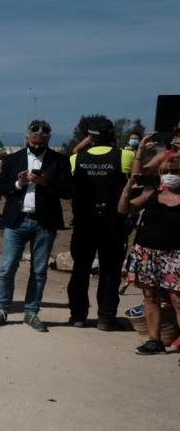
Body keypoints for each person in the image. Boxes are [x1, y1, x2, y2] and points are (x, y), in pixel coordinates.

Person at [0, 120, 73, 331]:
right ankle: (2, 308)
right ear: (26, 138)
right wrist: (18, 184)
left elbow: (68, 191)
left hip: (44, 222)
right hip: (16, 220)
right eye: (33, 142)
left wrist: (46, 183)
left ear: (48, 140)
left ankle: (31, 311)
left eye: (41, 142)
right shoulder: (12, 160)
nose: (36, 146)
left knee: (39, 270)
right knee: (7, 268)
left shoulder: (59, 161)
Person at [68, 117, 135, 330]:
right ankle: (106, 318)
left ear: (90, 137)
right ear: (112, 135)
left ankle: (78, 315)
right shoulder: (126, 156)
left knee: (80, 269)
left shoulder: (76, 159)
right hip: (113, 223)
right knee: (110, 271)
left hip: (84, 223)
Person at [119, 154, 180, 353]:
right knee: (150, 297)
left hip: (175, 256)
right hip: (148, 254)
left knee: (177, 299)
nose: (171, 175)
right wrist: (127, 191)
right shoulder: (151, 193)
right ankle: (155, 340)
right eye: (166, 172)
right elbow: (124, 209)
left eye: (176, 172)